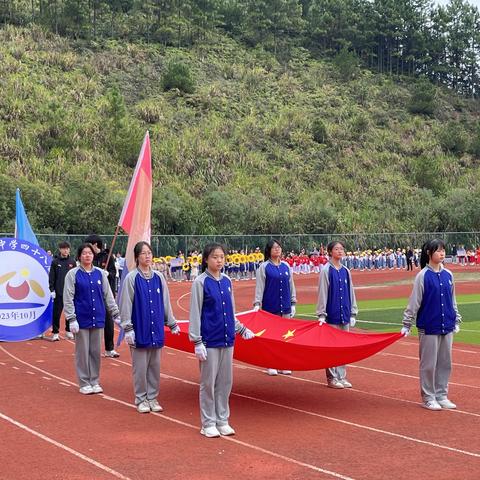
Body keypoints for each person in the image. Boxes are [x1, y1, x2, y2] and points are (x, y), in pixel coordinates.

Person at [189, 243, 255, 438]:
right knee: (208, 383)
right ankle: (208, 422)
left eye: (221, 257)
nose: (219, 260)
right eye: (215, 257)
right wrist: (197, 341)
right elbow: (195, 313)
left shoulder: (227, 281)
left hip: (227, 339)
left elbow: (231, 312)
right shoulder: (200, 283)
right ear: (206, 260)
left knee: (225, 382)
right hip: (209, 340)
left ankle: (222, 419)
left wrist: (242, 329)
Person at [120, 241, 181, 413]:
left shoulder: (158, 277)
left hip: (157, 329)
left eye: (149, 253)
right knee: (140, 367)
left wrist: (172, 322)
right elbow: (126, 304)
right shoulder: (132, 278)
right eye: (143, 253)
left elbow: (166, 303)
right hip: (140, 328)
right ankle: (141, 398)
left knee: (154, 366)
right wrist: (128, 328)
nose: (147, 256)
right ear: (137, 257)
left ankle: (152, 397)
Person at [401, 239, 461, 411]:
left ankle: (441, 394)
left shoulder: (448, 275)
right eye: (438, 250)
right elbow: (415, 302)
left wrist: (456, 318)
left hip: (447, 325)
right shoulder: (422, 276)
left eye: (443, 250)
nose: (442, 253)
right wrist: (407, 323)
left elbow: (452, 300)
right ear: (429, 253)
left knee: (445, 362)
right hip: (429, 326)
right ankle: (428, 396)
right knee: (428, 364)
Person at [63, 243, 120, 395]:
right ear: (79, 256)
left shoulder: (101, 274)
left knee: (95, 351)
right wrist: (71, 318)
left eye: (90, 253)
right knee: (82, 352)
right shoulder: (73, 274)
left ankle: (94, 380)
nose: (87, 255)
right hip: (81, 319)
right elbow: (68, 297)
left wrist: (115, 314)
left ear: (93, 256)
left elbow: (108, 295)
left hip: (98, 318)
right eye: (84, 253)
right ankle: (84, 382)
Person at [316, 240, 358, 389]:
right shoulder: (327, 270)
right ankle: (332, 377)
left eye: (342, 249)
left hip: (344, 313)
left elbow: (350, 292)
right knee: (331, 347)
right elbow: (323, 292)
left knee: (343, 347)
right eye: (336, 249)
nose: (340, 251)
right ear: (330, 252)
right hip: (331, 314)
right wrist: (321, 313)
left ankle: (342, 375)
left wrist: (353, 312)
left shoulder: (346, 270)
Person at [253, 239, 297, 376]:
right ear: (269, 251)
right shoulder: (264, 267)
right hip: (270, 307)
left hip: (285, 307)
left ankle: (283, 364)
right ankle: (271, 364)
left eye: (279, 247)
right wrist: (257, 303)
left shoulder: (285, 266)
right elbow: (260, 286)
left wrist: (293, 302)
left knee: (285, 338)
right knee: (272, 337)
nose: (277, 249)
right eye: (274, 248)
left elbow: (291, 286)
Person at [84, 234, 119, 358]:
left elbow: (114, 273)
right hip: (91, 295)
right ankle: (90, 349)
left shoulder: (107, 257)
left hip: (105, 295)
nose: (87, 250)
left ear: (95, 245)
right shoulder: (89, 258)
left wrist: (108, 273)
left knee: (108, 322)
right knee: (91, 322)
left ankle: (109, 349)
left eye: (89, 246)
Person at [48, 241, 77, 341]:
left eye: (67, 248)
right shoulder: (55, 262)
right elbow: (52, 277)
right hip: (58, 292)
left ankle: (68, 330)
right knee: (57, 313)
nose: (66, 250)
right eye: (63, 248)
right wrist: (52, 290)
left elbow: (75, 277)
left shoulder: (72, 262)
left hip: (70, 292)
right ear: (60, 249)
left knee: (69, 312)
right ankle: (55, 332)